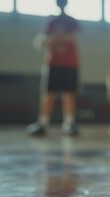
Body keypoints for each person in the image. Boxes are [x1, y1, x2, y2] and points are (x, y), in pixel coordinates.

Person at [27, 0, 81, 136]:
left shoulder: (71, 21)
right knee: (48, 93)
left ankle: (69, 123)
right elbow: (41, 41)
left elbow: (73, 38)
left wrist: (55, 38)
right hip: (53, 63)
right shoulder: (51, 21)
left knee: (68, 93)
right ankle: (43, 123)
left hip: (69, 63)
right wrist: (53, 40)